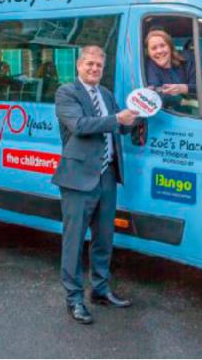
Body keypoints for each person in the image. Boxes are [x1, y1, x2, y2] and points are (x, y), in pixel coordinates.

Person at [52, 45, 139, 324]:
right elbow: (79, 125)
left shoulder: (107, 95)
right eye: (89, 64)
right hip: (78, 178)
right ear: (79, 65)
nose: (94, 69)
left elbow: (121, 127)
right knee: (74, 241)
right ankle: (74, 299)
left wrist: (138, 114)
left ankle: (100, 290)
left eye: (99, 65)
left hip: (107, 175)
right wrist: (116, 119)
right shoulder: (67, 92)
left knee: (104, 238)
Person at [144, 29, 196, 102]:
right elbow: (155, 96)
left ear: (170, 47)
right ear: (148, 53)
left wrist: (184, 88)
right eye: (154, 48)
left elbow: (201, 87)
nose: (159, 51)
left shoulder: (187, 60)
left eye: (162, 46)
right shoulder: (148, 68)